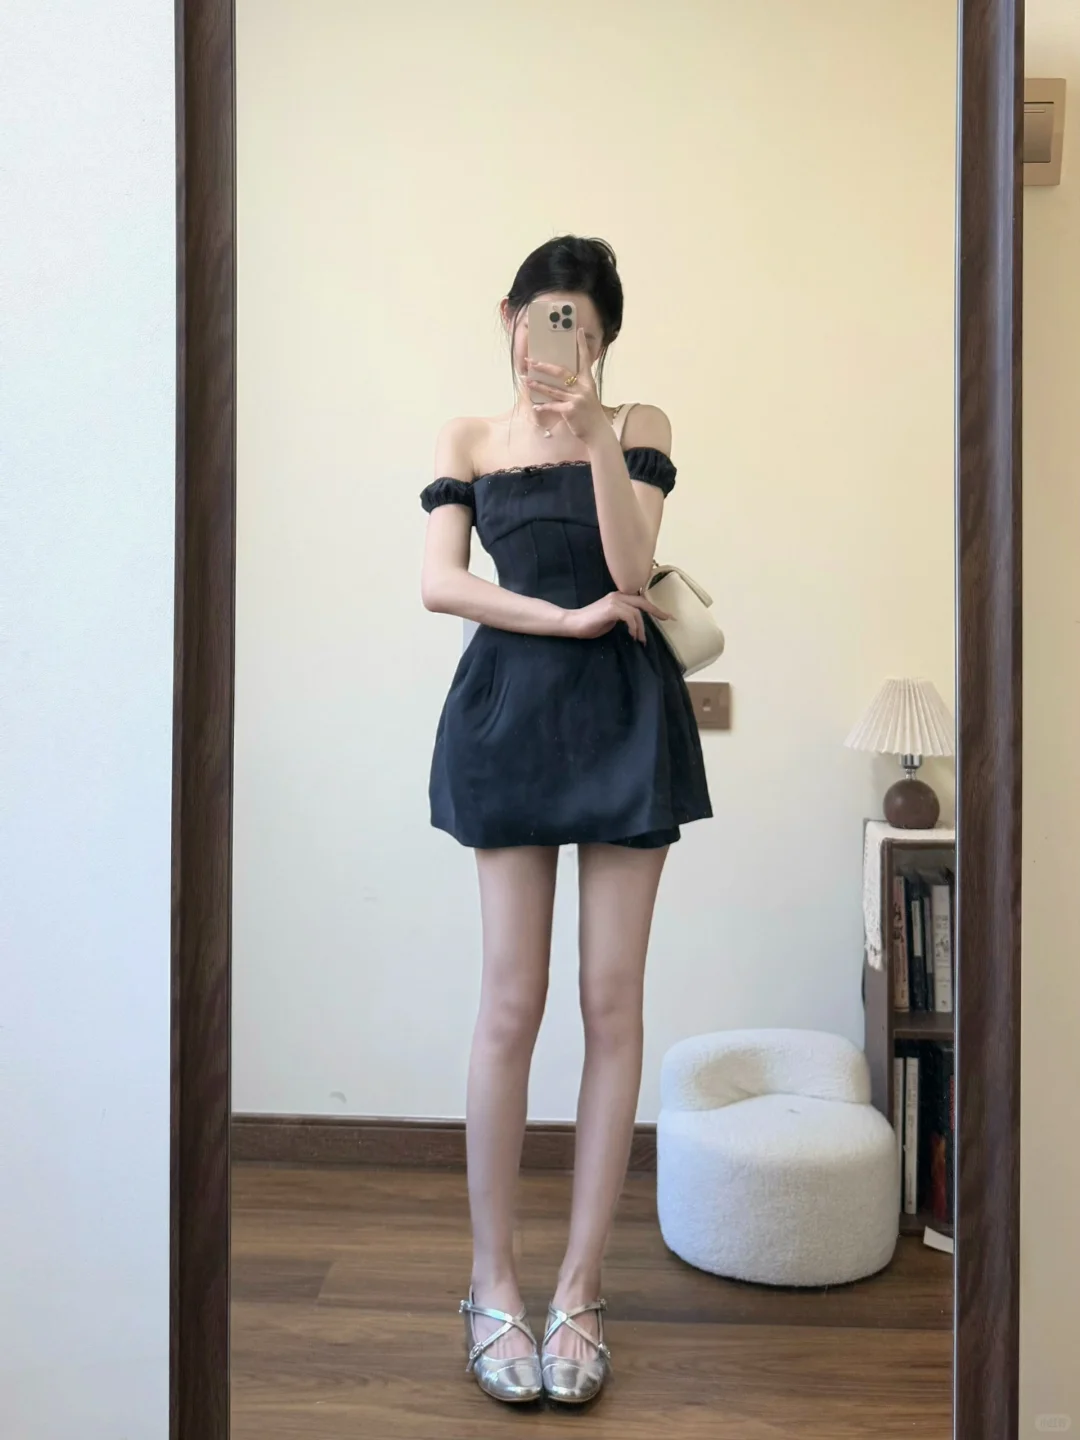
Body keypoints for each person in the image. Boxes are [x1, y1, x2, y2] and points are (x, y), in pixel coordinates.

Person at [419, 235, 712, 1406]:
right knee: (509, 1001)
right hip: (508, 712)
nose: (560, 345)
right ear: (509, 318)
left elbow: (633, 572)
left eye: (582, 330)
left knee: (609, 1002)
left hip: (625, 717)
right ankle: (492, 1280)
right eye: (547, 320)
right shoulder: (468, 440)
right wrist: (564, 620)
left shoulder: (639, 424)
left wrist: (595, 440)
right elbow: (441, 583)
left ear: (604, 342)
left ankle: (580, 1289)